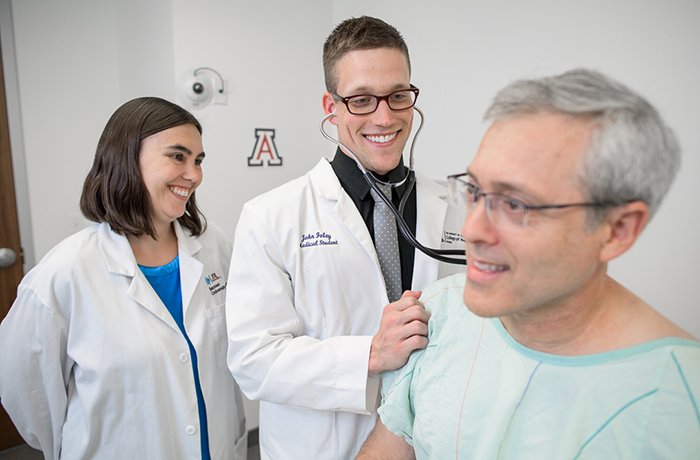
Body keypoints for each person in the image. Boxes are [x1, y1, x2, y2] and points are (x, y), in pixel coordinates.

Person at [357, 68, 700, 459]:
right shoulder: (438, 314)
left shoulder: (681, 403)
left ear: (617, 229)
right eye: (474, 190)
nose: (472, 230)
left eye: (516, 205)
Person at [226, 16, 464, 460]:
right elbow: (254, 363)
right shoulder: (270, 217)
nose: (384, 116)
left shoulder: (454, 206)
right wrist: (371, 354)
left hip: (433, 441)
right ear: (330, 106)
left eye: (398, 96)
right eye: (360, 100)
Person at [0, 97, 248, 459]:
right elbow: (26, 391)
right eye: (177, 156)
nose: (194, 175)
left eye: (198, 160)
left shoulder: (212, 245)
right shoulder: (65, 273)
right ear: (126, 158)